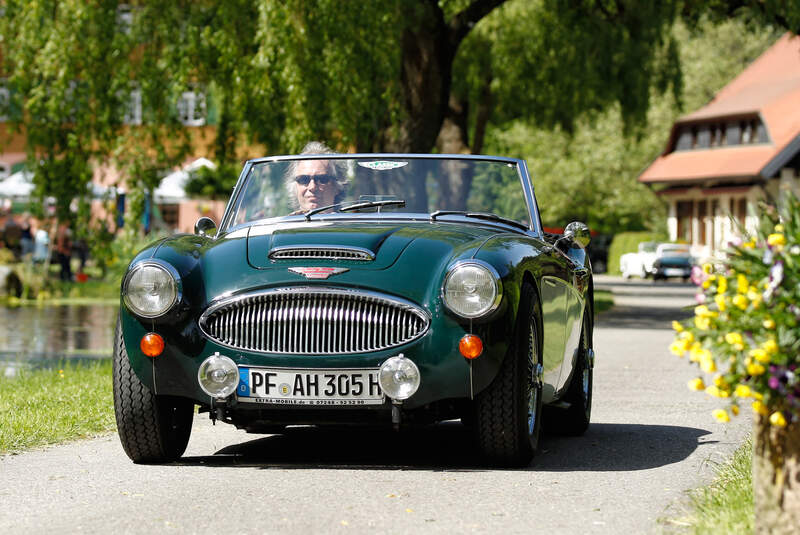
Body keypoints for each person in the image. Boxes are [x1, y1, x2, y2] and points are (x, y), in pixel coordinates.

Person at [285, 141, 347, 213]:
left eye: (322, 179)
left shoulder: (353, 223)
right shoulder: (282, 223)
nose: (312, 187)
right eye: (303, 179)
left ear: (337, 187)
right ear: (295, 188)